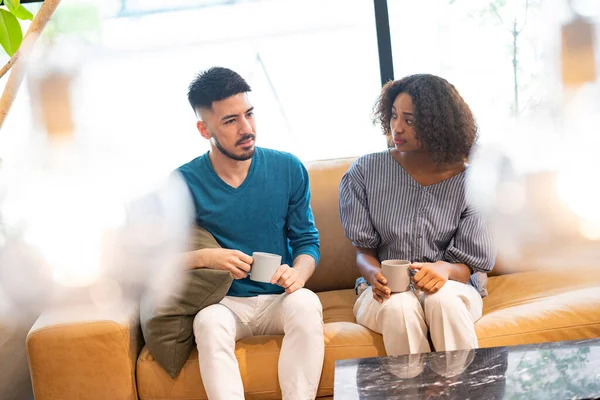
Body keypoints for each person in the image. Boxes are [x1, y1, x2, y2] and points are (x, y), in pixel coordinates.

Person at [178, 67, 324, 400]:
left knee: (306, 304)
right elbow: (156, 262)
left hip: (279, 299)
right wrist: (206, 257)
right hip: (224, 302)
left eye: (249, 114)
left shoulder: (288, 168)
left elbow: (307, 242)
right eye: (230, 121)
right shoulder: (183, 183)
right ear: (204, 129)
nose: (247, 129)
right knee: (208, 323)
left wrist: (298, 274)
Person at [339, 73, 495, 357]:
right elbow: (364, 253)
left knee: (443, 300)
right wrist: (375, 276)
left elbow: (469, 266)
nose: (396, 128)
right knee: (400, 305)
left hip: (453, 288)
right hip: (385, 293)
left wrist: (444, 269)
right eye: (394, 116)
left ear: (437, 126)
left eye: (410, 121)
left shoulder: (473, 183)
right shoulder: (365, 172)